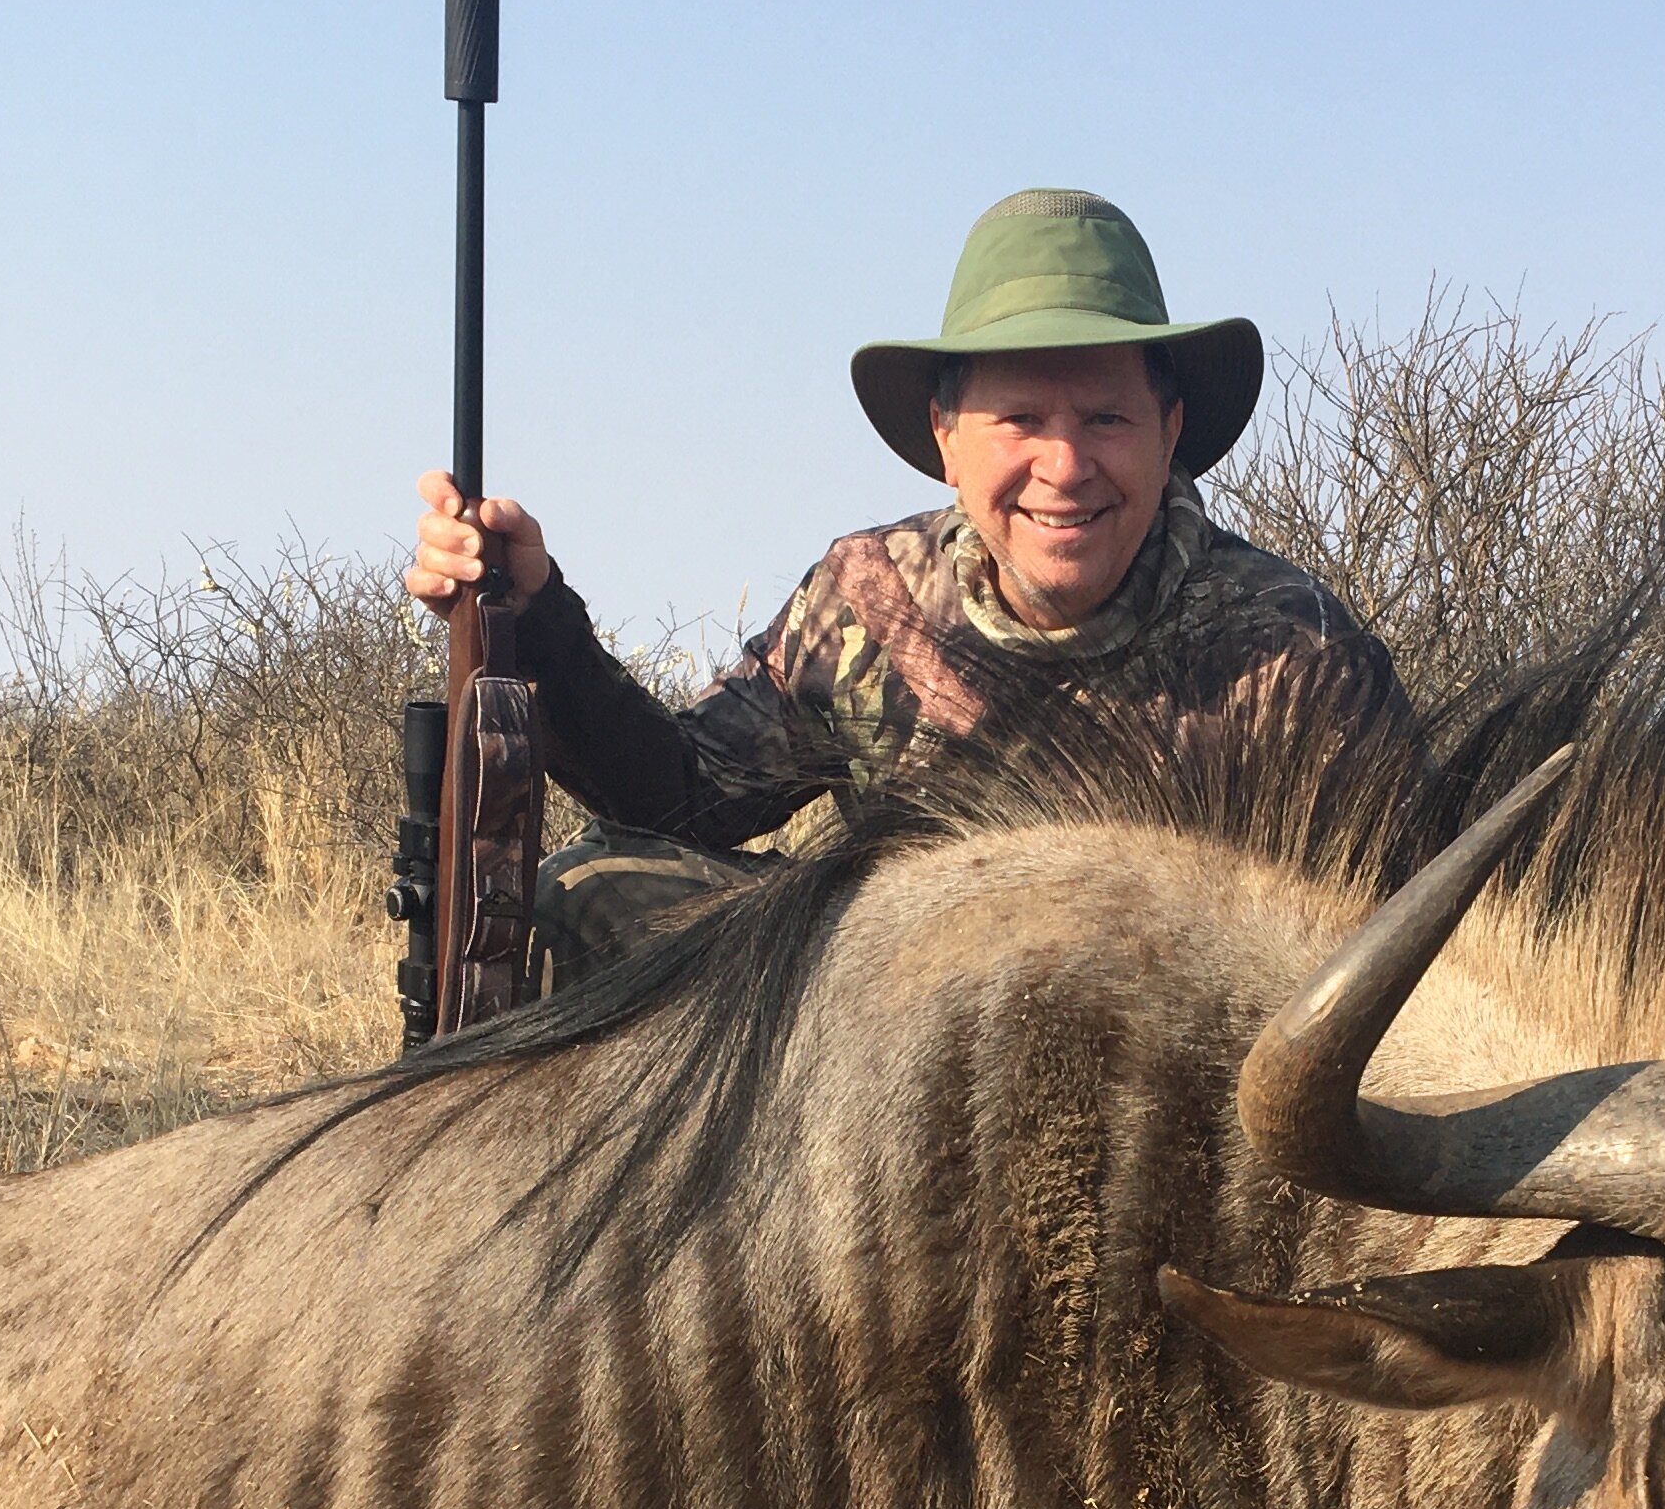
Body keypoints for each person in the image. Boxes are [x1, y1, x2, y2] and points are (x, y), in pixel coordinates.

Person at [405, 189, 1410, 976]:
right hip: (902, 1063)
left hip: (1177, 1088)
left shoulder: (1299, 654)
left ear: (1169, 433)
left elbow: (1396, 947)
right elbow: (683, 798)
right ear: (946, 439)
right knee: (589, 888)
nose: (1064, 469)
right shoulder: (871, 597)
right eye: (1021, 420)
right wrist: (533, 620)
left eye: (1104, 418)